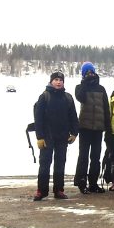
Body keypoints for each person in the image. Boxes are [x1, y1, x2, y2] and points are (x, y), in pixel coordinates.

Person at [33, 71, 78, 200]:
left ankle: (59, 190)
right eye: (56, 80)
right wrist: (39, 137)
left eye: (61, 80)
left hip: (63, 137)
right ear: (51, 81)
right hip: (47, 137)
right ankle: (41, 191)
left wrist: (74, 133)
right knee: (45, 164)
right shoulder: (44, 96)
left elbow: (73, 117)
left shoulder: (68, 98)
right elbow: (38, 118)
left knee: (60, 164)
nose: (58, 82)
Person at [73, 62, 110, 194]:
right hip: (84, 127)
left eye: (91, 72)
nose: (90, 74)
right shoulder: (80, 87)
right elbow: (80, 97)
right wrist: (85, 83)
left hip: (98, 128)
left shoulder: (101, 89)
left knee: (96, 156)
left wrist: (108, 127)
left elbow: (106, 108)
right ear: (83, 74)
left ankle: (93, 183)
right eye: (87, 72)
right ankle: (81, 182)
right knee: (83, 155)